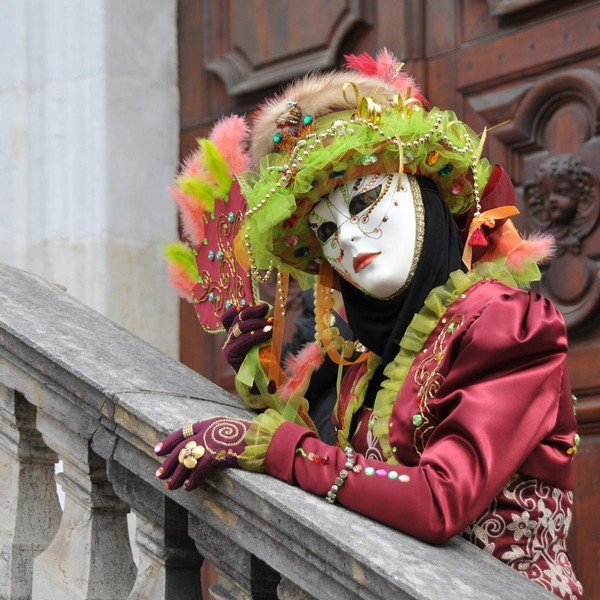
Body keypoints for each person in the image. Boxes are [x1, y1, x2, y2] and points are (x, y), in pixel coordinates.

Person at [156, 50, 583, 598]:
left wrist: (280, 448)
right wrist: (254, 375)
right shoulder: (364, 359)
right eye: (327, 231)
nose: (351, 239)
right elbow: (344, 477)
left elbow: (438, 500)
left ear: (426, 194)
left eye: (364, 201)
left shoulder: (509, 323)